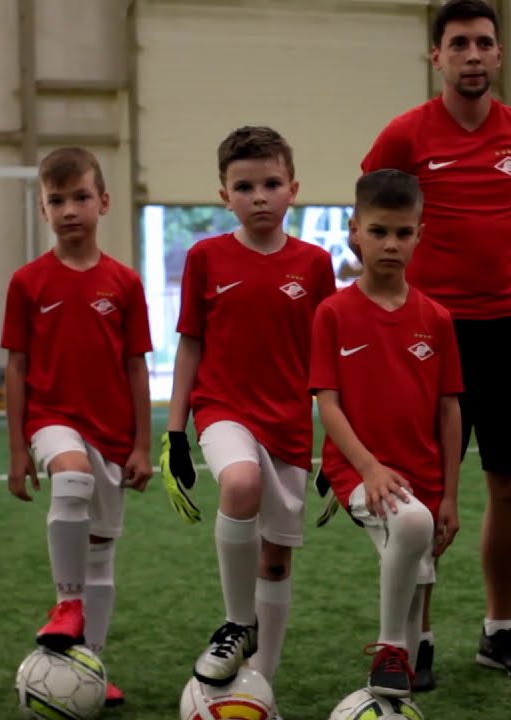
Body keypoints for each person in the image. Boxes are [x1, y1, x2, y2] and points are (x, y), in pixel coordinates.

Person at [360, 0, 511, 687]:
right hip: (427, 335)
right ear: (436, 56)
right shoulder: (403, 135)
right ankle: (416, 639)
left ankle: (498, 631)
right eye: (459, 44)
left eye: (483, 43)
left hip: (507, 328)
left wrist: (497, 280)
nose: (473, 55)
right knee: (421, 489)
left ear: (499, 54)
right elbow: (371, 219)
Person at [159, 127, 336, 696]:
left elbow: (328, 361)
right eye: (244, 187)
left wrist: (337, 442)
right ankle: (237, 623)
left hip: (289, 423)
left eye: (271, 184)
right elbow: (190, 345)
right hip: (223, 408)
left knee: (277, 562)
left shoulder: (315, 264)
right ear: (224, 196)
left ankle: (262, 683)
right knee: (240, 483)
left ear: (293, 190)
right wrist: (176, 432)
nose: (259, 196)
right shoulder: (205, 257)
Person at [3, 148, 153, 707]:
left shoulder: (125, 283)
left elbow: (136, 366)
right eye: (57, 200)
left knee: (101, 552)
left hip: (112, 432)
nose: (70, 209)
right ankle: (67, 602)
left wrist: (141, 445)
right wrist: (17, 449)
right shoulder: (27, 282)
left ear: (104, 202)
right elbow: (16, 366)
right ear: (43, 210)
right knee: (70, 476)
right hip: (52, 418)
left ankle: (91, 664)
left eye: (81, 197)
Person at [310, 169, 463, 697]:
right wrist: (368, 468)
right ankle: (389, 650)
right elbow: (327, 405)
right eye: (378, 231)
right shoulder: (332, 313)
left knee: (420, 570)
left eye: (403, 232)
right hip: (357, 470)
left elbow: (449, 411)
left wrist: (451, 494)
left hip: (424, 472)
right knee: (412, 523)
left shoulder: (437, 319)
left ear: (420, 233)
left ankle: (410, 662)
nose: (391, 244)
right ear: (355, 231)